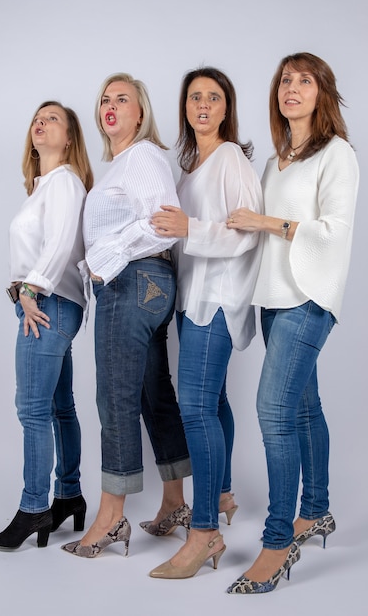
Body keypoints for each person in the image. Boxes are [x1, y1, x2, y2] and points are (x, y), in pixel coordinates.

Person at [226, 52, 359, 594]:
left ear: (322, 93)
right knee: (305, 407)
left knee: (272, 410)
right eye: (285, 80)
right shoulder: (278, 158)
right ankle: (317, 510)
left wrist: (265, 221)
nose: (292, 88)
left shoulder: (338, 154)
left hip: (309, 299)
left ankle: (278, 541)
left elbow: (334, 230)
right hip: (274, 299)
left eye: (304, 81)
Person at [61, 73, 191, 559]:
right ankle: (176, 501)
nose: (110, 106)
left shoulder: (143, 157)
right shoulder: (120, 165)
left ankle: (112, 517)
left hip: (132, 282)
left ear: (141, 113)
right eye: (104, 100)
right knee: (151, 393)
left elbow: (164, 224)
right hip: (144, 285)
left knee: (114, 396)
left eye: (123, 99)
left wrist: (104, 257)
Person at [149, 67, 263, 579]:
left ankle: (204, 531)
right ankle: (222, 494)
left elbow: (246, 232)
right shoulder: (187, 171)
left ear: (226, 108)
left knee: (194, 407)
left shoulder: (232, 158)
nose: (202, 104)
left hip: (216, 300)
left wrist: (189, 228)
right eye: (194, 96)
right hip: (189, 301)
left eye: (213, 97)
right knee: (212, 401)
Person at [0, 101, 94, 550]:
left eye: (52, 119)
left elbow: (60, 242)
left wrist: (30, 290)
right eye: (37, 118)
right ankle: (68, 495)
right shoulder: (44, 186)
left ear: (68, 137)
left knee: (32, 410)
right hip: (51, 303)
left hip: (44, 304)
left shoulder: (65, 181)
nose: (40, 123)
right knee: (58, 407)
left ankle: (34, 508)